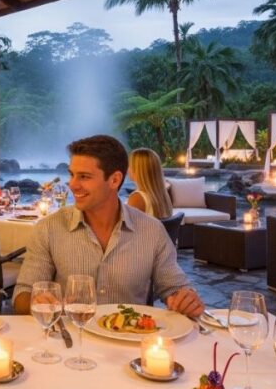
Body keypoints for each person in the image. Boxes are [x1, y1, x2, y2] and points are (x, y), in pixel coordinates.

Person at [12, 135, 204, 317]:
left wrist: (186, 299)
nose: (72, 184)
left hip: (130, 342)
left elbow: (175, 287)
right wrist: (35, 301)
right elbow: (23, 293)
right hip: (70, 342)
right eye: (72, 175)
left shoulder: (151, 231)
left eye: (84, 177)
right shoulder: (49, 228)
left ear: (114, 180)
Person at [126, 148, 174, 219]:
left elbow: (126, 227)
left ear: (139, 170)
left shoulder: (137, 198)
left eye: (130, 165)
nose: (128, 169)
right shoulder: (162, 195)